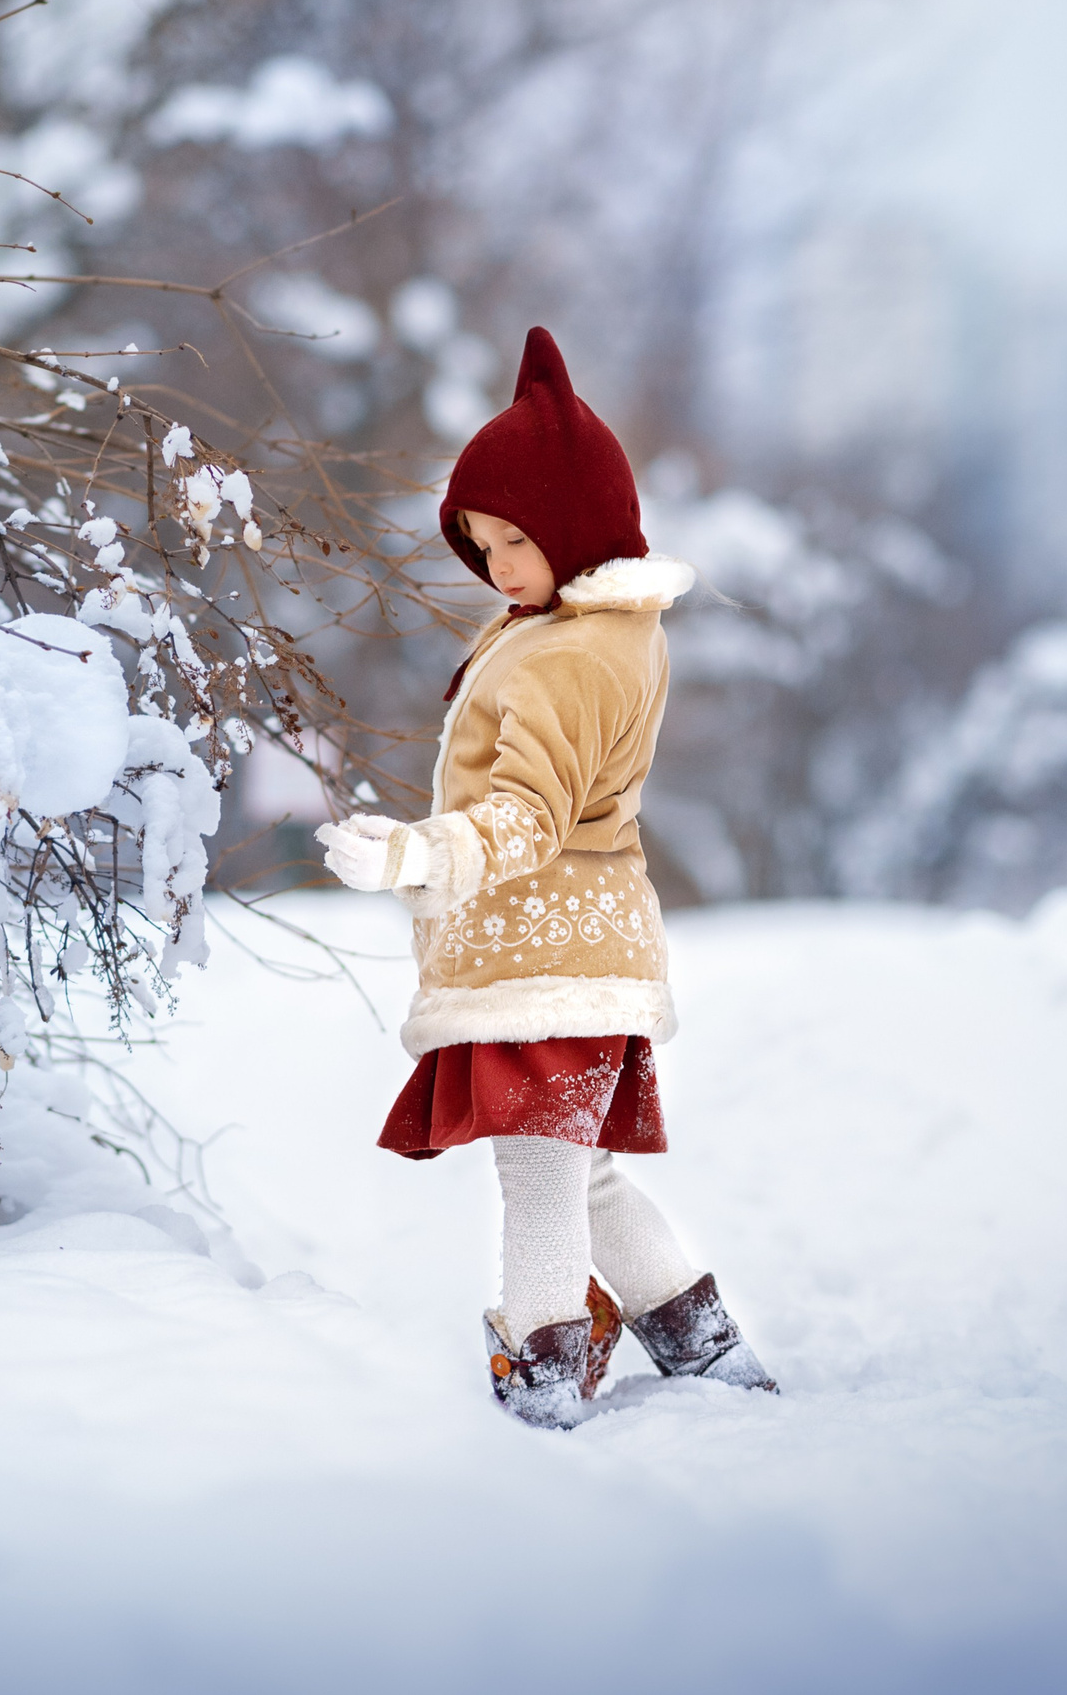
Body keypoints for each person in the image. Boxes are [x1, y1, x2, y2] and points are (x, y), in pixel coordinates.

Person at [315, 327, 777, 1429]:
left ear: (577, 522)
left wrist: (415, 854)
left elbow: (528, 816)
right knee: (580, 1175)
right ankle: (703, 1344)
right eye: (482, 543)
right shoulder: (584, 628)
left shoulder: (572, 652)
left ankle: (543, 1382)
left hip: (547, 958)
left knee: (538, 1181)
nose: (498, 565)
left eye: (517, 538)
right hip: (572, 950)